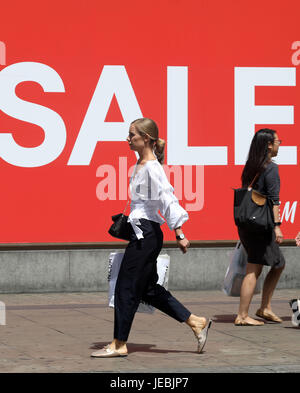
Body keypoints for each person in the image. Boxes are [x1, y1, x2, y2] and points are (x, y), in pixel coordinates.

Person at [91, 118, 212, 357]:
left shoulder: (151, 168)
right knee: (147, 290)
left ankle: (119, 343)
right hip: (144, 233)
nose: (127, 139)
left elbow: (168, 198)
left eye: (132, 135)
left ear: (146, 138)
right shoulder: (141, 163)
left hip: (145, 235)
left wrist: (179, 232)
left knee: (125, 288)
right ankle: (195, 322)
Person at [235, 128, 285, 326]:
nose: (280, 144)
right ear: (269, 145)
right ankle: (243, 315)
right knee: (256, 268)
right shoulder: (271, 168)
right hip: (261, 226)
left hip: (248, 224)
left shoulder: (252, 166)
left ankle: (264, 307)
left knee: (272, 264)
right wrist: (278, 226)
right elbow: (274, 200)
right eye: (278, 141)